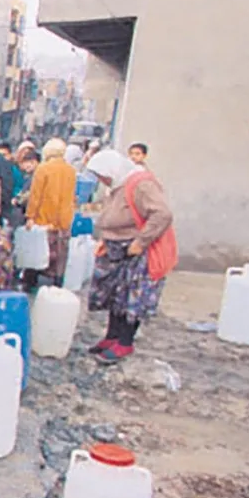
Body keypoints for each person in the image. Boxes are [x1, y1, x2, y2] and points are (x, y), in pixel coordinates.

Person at [85, 149, 175, 364]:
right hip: (118, 249)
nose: (102, 180)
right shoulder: (119, 185)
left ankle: (125, 342)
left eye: (102, 176)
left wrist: (140, 242)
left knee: (132, 298)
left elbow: (162, 215)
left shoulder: (142, 184)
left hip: (140, 251)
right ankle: (112, 337)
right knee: (116, 294)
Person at [23, 139, 77, 292]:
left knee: (38, 252)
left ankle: (31, 282)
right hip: (64, 219)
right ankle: (58, 281)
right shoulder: (71, 170)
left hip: (44, 217)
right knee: (60, 253)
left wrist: (30, 216)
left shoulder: (43, 169)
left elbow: (36, 195)